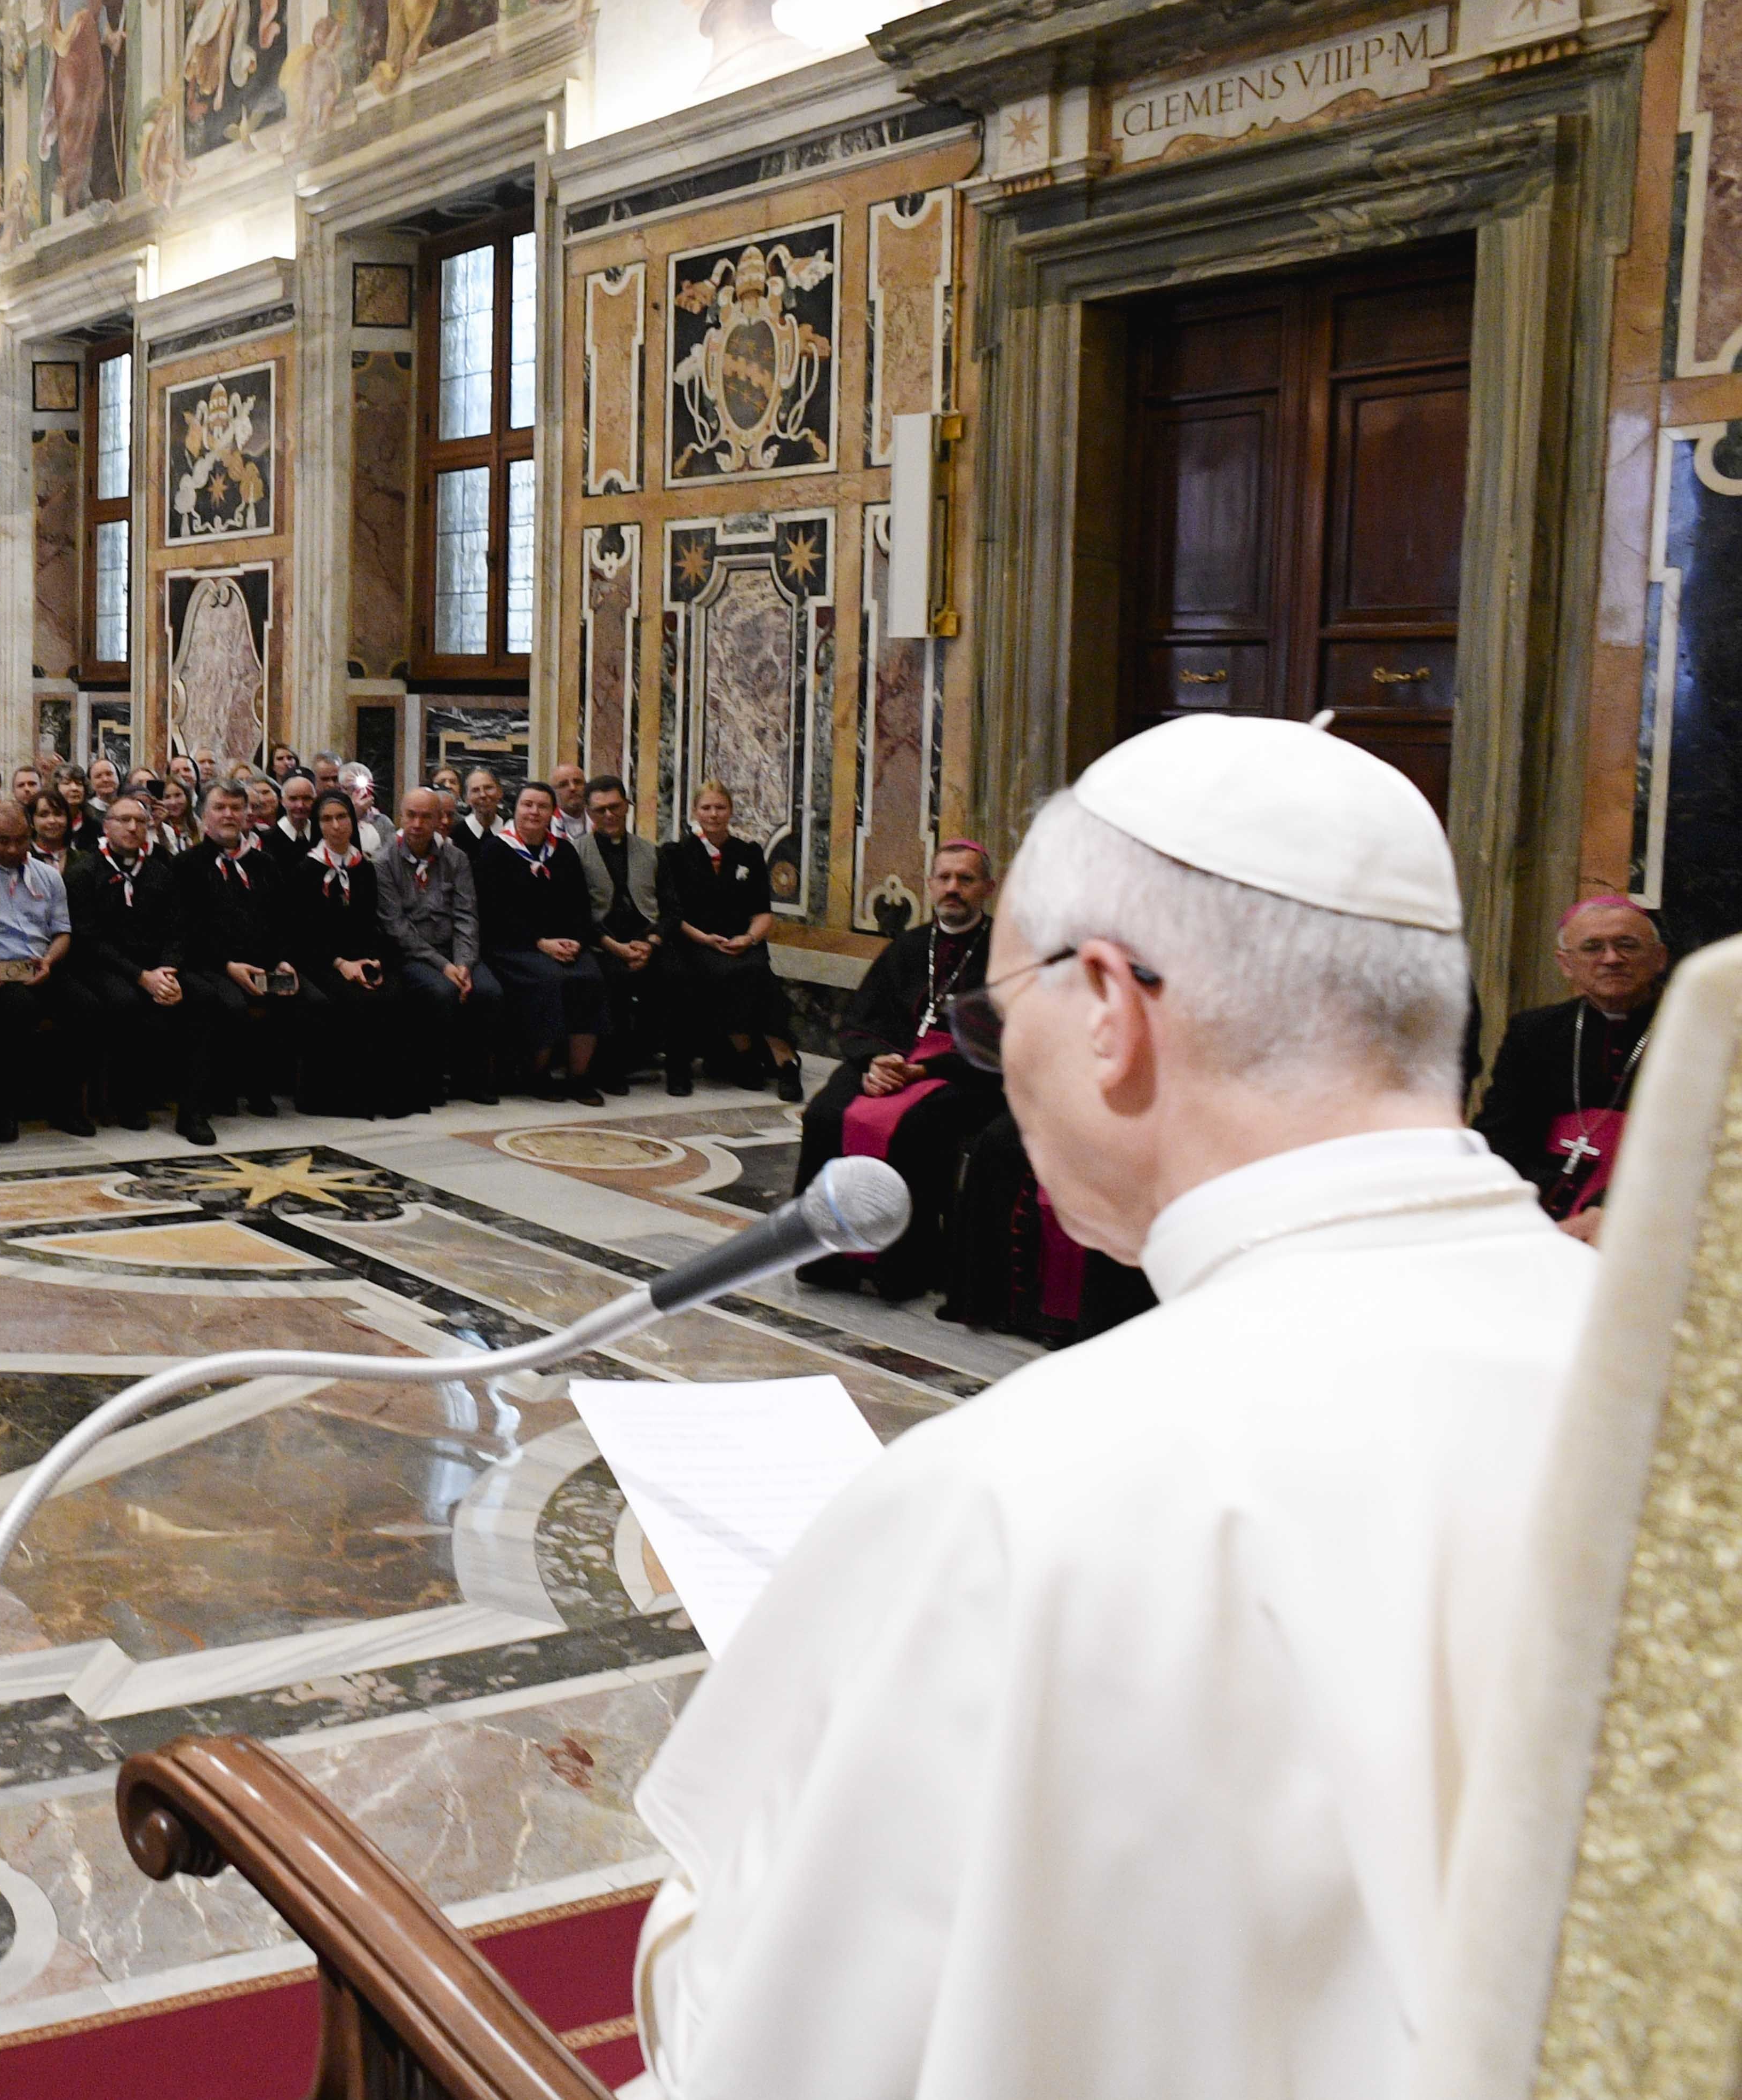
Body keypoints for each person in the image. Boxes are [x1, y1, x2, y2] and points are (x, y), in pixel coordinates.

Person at [632, 712, 1593, 2100]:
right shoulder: (1670, 1393)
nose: (993, 1049)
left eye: (993, 1009)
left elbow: (747, 2052)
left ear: (1107, 1009)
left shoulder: (1014, 1499)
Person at [793, 839, 1004, 1302]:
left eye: (965, 879)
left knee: (914, 1128)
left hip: (965, 1070)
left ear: (987, 887)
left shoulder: (1005, 951)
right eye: (944, 878)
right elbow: (862, 1018)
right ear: (929, 884)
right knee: (825, 1115)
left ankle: (902, 1267)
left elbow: (1003, 1041)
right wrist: (875, 1061)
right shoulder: (909, 946)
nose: (953, 889)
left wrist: (922, 1069)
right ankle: (825, 1256)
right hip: (893, 1056)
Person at [1474, 893, 1668, 1242]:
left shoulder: (1698, 1029)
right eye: (1592, 947)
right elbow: (1500, 1136)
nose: (1611, 958)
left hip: (1648, 1201)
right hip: (1538, 1203)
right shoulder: (1534, 1030)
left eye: (1627, 944)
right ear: (1565, 964)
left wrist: (1614, 1207)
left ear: (1658, 958)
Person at [0, 797, 93, 1137]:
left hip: (40, 965)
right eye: (4, 841)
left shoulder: (49, 876)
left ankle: (66, 1107)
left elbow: (62, 932)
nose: (13, 849)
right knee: (17, 1009)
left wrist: (50, 960)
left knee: (86, 1006)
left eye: (21, 840)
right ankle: (4, 1108)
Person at [165, 782, 296, 1140]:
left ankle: (258, 1087)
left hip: (259, 964)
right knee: (225, 1003)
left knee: (307, 999)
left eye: (236, 808)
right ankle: (195, 1108)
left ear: (246, 815)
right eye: (220, 807)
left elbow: (281, 920)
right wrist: (227, 965)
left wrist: (283, 961)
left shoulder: (264, 864)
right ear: (204, 815)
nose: (228, 815)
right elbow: (186, 929)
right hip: (207, 964)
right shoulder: (186, 864)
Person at [286, 788, 421, 1117]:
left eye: (342, 817)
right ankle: (342, 1097)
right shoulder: (306, 870)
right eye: (327, 819)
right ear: (319, 825)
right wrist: (342, 963)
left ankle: (386, 1095)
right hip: (320, 960)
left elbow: (370, 922)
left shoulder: (364, 868)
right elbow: (302, 934)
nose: (336, 826)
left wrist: (371, 960)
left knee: (395, 994)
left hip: (359, 956)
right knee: (353, 1002)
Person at [659, 779, 799, 1098]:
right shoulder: (676, 854)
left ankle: (783, 1063)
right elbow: (672, 913)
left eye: (720, 808)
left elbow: (764, 912)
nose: (714, 814)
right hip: (695, 944)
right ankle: (749, 1056)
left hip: (742, 942)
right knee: (734, 974)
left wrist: (749, 939)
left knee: (760, 976)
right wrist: (706, 939)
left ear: (731, 811)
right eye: (706, 808)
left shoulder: (748, 853)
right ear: (695, 811)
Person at [472, 783, 605, 1101]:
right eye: (527, 805)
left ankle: (579, 1077)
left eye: (542, 807)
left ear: (552, 813)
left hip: (563, 944)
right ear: (515, 809)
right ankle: (537, 1073)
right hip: (512, 946)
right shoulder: (494, 851)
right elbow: (493, 912)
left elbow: (580, 906)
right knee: (549, 981)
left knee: (591, 978)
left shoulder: (565, 852)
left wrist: (574, 941)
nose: (534, 812)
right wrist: (540, 942)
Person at [63, 791, 186, 1128]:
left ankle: (187, 1104)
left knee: (193, 998)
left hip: (152, 967)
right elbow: (88, 939)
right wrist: (140, 975)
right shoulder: (84, 870)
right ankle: (123, 1100)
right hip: (100, 965)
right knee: (126, 1001)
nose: (133, 828)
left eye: (141, 822)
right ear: (107, 826)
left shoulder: (160, 872)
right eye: (124, 820)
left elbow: (176, 929)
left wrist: (167, 971)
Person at [370, 785, 493, 1102]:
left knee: (489, 990)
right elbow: (396, 927)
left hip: (455, 951)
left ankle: (473, 1079)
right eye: (411, 815)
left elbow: (467, 915)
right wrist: (445, 967)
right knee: (441, 991)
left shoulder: (456, 858)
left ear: (441, 820)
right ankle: (433, 1079)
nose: (417, 824)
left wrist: (464, 963)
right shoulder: (384, 861)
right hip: (413, 955)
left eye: (426, 817)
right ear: (401, 816)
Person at [571, 774, 670, 1091]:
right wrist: (615, 947)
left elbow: (671, 907)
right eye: (600, 810)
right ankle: (610, 1066)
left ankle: (675, 1065)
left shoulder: (651, 852)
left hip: (647, 940)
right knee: (610, 979)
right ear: (589, 813)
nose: (609, 816)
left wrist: (651, 942)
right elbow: (576, 913)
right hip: (601, 942)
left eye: (615, 807)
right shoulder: (575, 852)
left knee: (677, 975)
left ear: (627, 806)